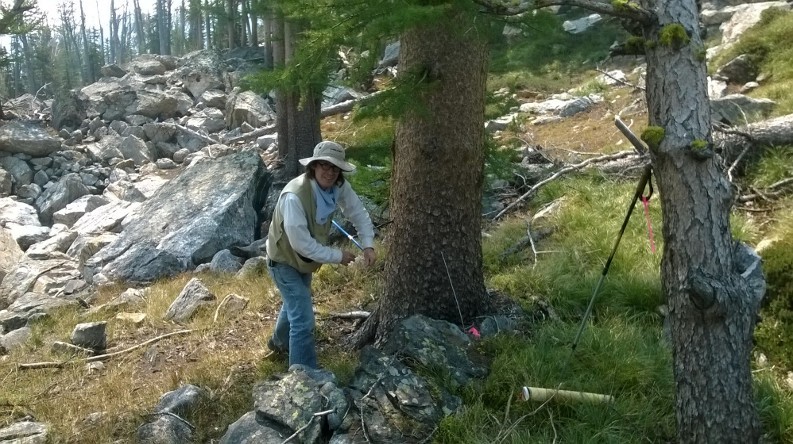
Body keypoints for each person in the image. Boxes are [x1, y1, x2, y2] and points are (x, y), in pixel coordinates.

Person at [265, 140, 377, 368]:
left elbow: (358, 212)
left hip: (306, 262)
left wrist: (368, 244)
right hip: (283, 260)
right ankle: (304, 374)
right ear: (314, 167)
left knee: (296, 302)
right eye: (324, 165)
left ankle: (278, 344)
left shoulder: (339, 187)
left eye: (334, 168)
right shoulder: (294, 196)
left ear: (339, 172)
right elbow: (301, 244)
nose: (329, 172)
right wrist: (337, 256)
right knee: (304, 320)